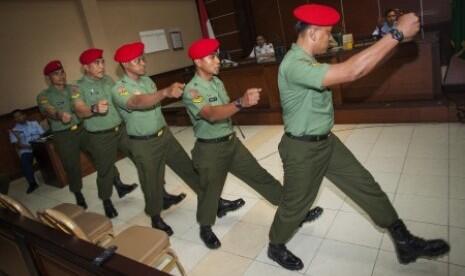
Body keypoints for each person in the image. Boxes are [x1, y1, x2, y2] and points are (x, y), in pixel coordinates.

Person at [267, 4, 450, 271]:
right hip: (302, 150)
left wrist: (392, 43)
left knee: (365, 185)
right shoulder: (294, 64)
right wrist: (396, 34)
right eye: (328, 34)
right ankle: (275, 245)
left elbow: (363, 65)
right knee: (295, 205)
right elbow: (353, 71)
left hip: (326, 142)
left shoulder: (309, 61)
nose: (330, 40)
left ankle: (404, 241)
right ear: (313, 33)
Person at [183, 38, 323, 249]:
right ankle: (205, 227)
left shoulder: (216, 82)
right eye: (212, 57)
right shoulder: (192, 91)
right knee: (210, 190)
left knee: (261, 177)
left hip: (231, 144)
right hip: (210, 149)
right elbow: (210, 114)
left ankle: (295, 213)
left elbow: (223, 109)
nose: (218, 60)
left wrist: (235, 106)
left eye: (217, 55)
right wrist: (240, 102)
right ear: (197, 61)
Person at [111, 42, 245, 236]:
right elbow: (136, 102)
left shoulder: (147, 81)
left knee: (189, 169)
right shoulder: (120, 88)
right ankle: (156, 217)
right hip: (143, 142)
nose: (143, 62)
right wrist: (165, 92)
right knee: (152, 181)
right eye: (138, 60)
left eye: (143, 58)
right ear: (125, 64)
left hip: (164, 135)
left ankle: (215, 203)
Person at [72, 48, 145, 218]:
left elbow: (120, 99)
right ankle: (106, 200)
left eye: (102, 61)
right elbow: (79, 109)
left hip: (121, 130)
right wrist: (93, 108)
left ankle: (158, 193)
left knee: (141, 157)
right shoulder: (78, 87)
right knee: (105, 170)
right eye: (96, 63)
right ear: (86, 67)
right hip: (100, 136)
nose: (102, 66)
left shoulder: (108, 80)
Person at [36, 60, 89, 208]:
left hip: (82, 129)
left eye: (62, 72)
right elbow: (47, 110)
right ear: (48, 78)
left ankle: (118, 183)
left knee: (100, 153)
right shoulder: (44, 96)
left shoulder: (74, 89)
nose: (60, 76)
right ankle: (78, 194)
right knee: (72, 166)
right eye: (55, 74)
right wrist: (59, 115)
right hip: (64, 135)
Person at [9, 109, 44, 193]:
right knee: (24, 160)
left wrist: (37, 144)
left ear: (24, 115)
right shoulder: (14, 130)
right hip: (26, 150)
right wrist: (28, 146)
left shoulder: (34, 123)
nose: (19, 118)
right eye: (16, 117)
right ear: (14, 120)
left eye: (20, 115)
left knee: (50, 154)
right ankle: (32, 183)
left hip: (40, 147)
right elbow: (17, 145)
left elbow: (42, 135)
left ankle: (55, 176)